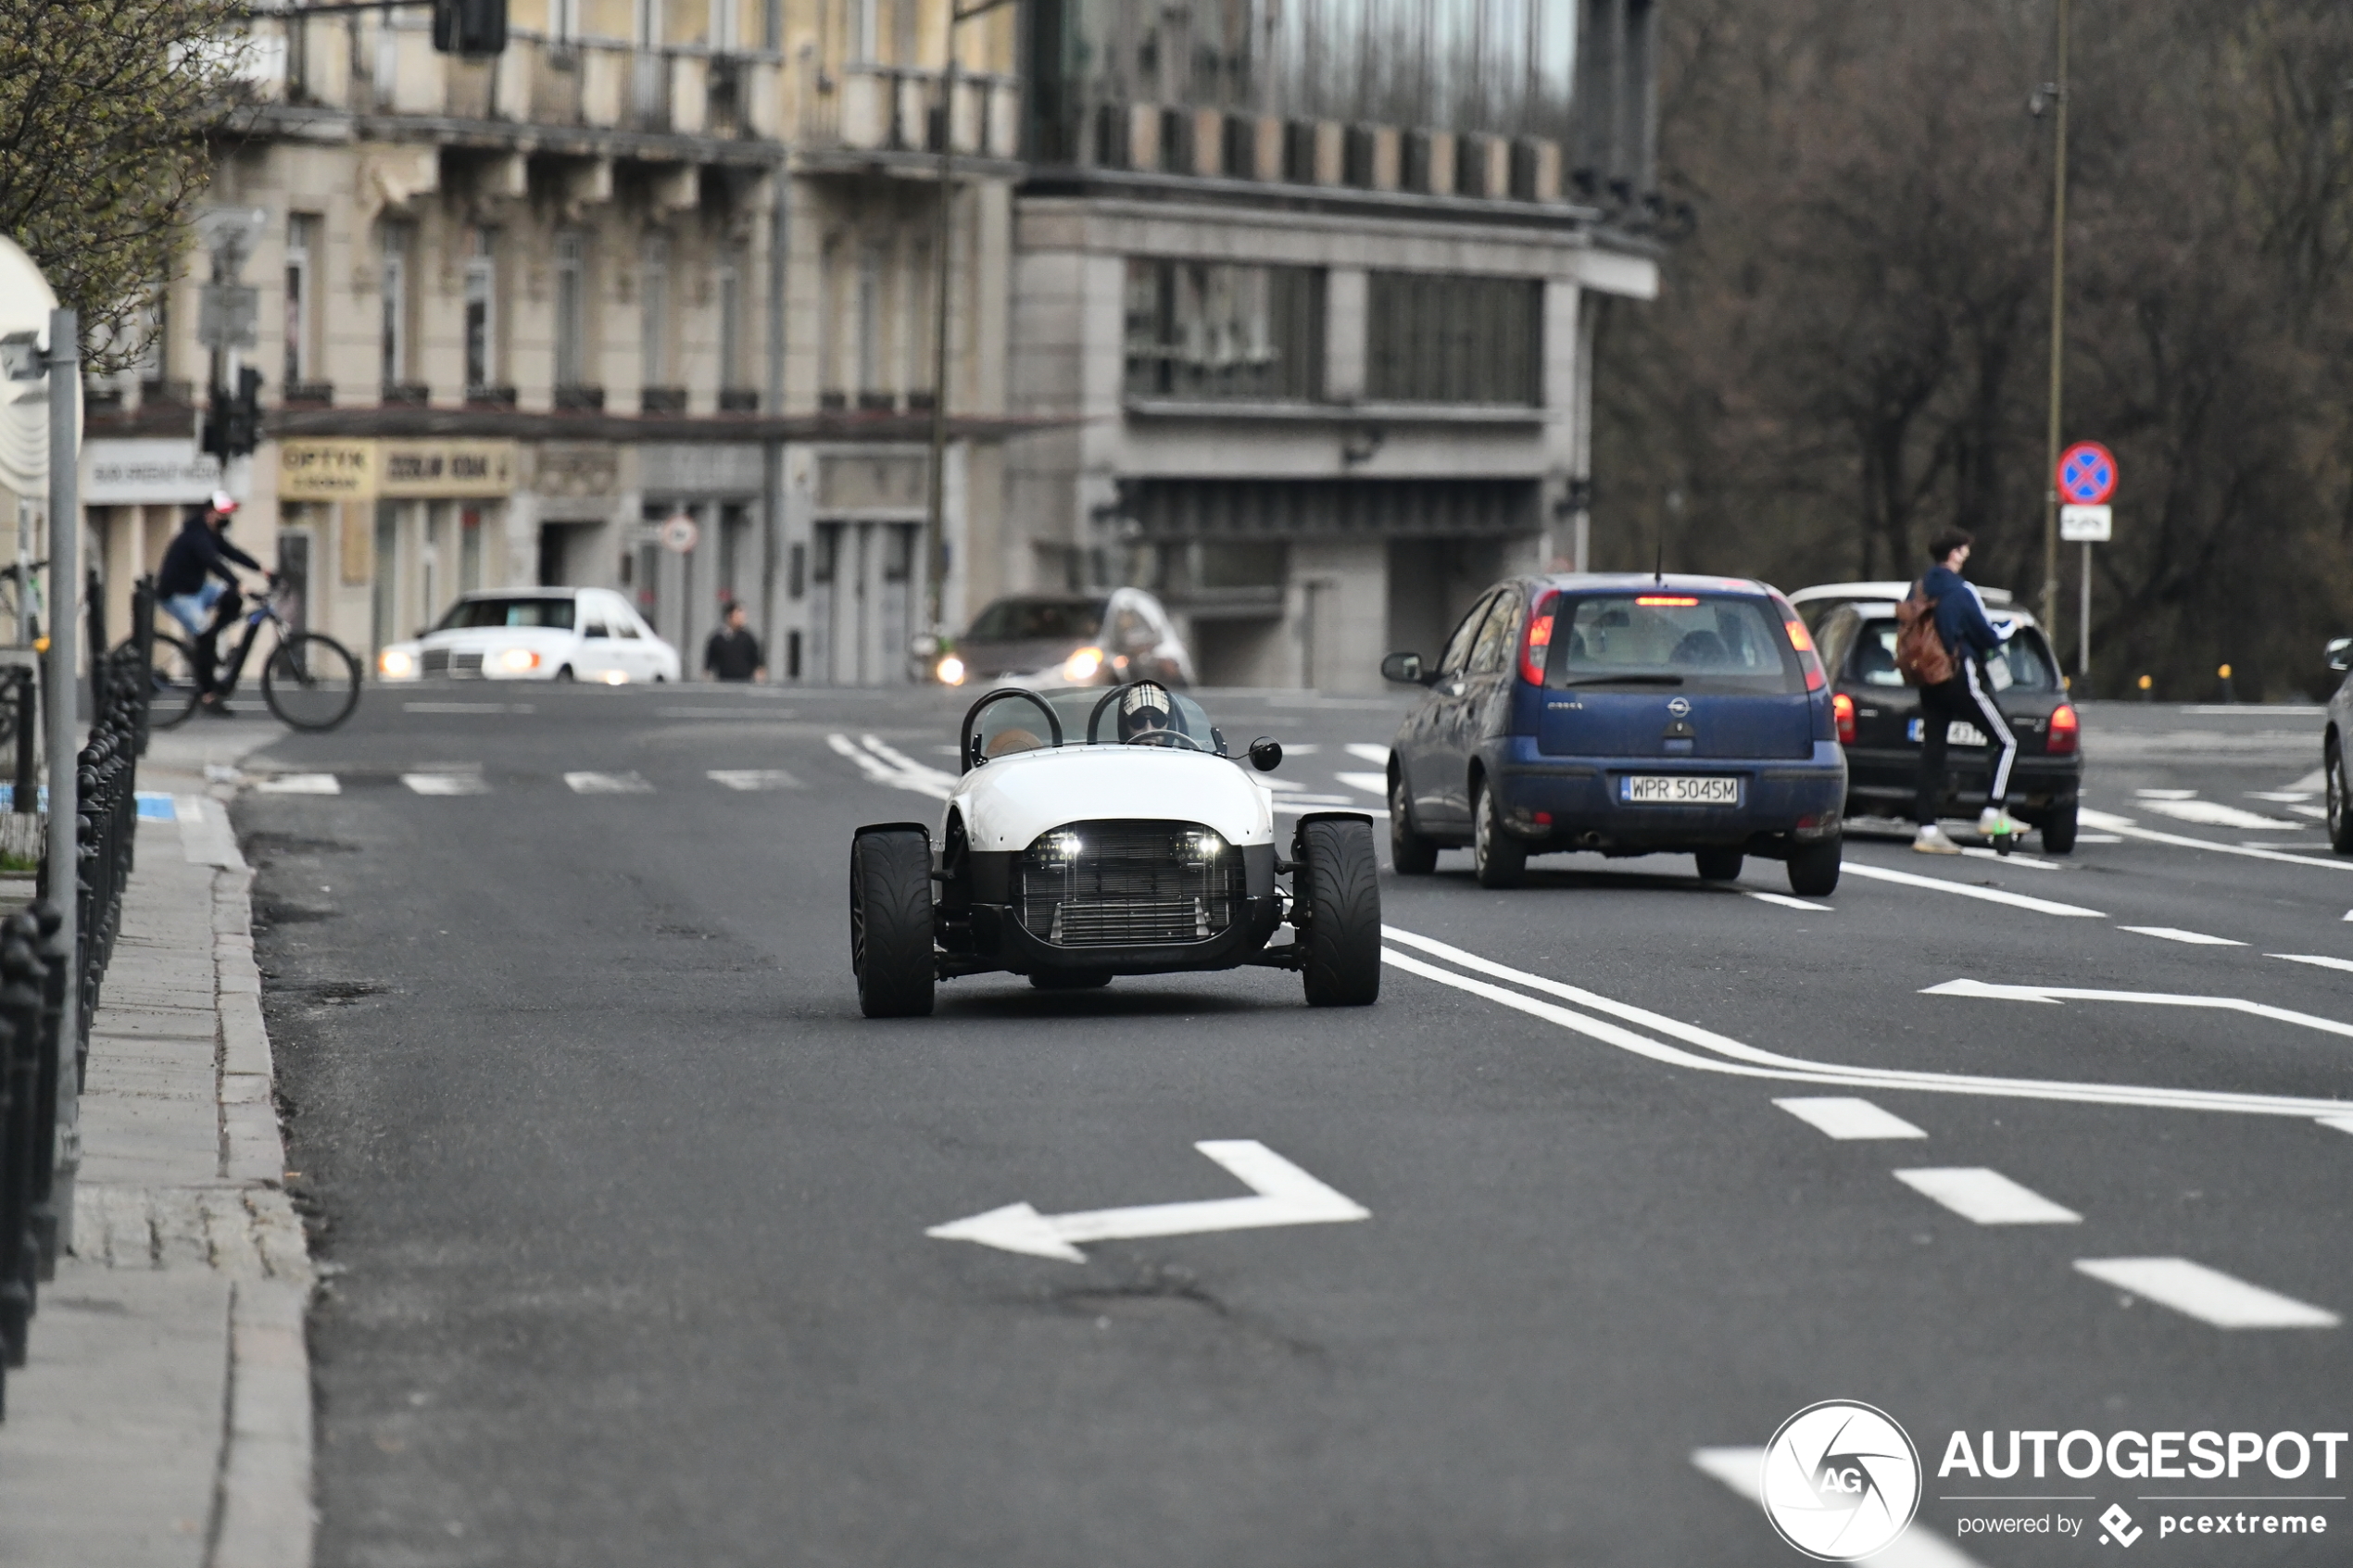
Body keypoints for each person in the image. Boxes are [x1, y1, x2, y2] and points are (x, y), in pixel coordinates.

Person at [1911, 529, 2021, 853]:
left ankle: (1927, 830)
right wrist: (2013, 626)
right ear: (1956, 553)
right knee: (2007, 740)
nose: (1967, 555)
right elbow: (1988, 636)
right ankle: (1992, 811)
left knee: (1933, 752)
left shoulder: (1918, 588)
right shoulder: (1963, 591)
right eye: (1964, 549)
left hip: (1928, 679)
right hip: (1959, 677)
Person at [157, 493, 269, 716]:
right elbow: (213, 562)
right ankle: (208, 695)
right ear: (210, 513)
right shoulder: (196, 536)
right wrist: (238, 583)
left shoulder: (211, 533)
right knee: (205, 636)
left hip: (196, 589)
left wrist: (263, 569)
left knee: (231, 600)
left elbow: (231, 552)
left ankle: (211, 637)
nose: (227, 517)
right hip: (178, 594)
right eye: (223, 513)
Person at [701, 602, 765, 683]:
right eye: (739, 614)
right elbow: (709, 663)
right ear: (730, 616)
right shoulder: (718, 639)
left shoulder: (748, 638)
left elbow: (758, 661)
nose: (743, 618)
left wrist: (760, 677)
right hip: (723, 682)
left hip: (745, 682)